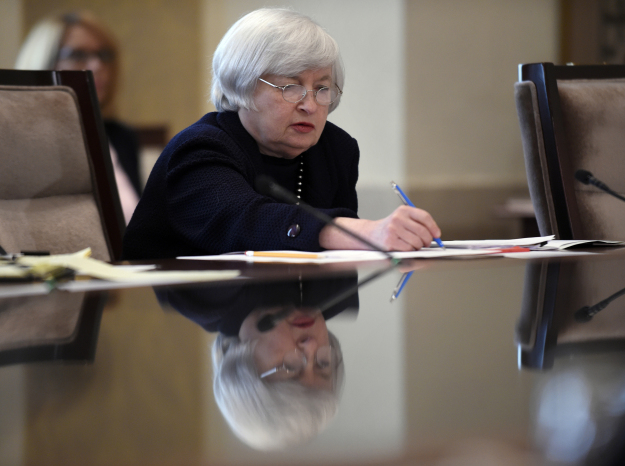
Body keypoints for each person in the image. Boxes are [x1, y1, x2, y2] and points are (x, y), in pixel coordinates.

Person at [122, 7, 441, 260]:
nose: (310, 105)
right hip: (188, 324)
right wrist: (367, 232)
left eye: (322, 89)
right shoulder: (198, 150)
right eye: (290, 87)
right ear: (242, 85)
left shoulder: (336, 150)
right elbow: (244, 223)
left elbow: (337, 270)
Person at [155, 275, 357, 450]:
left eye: (291, 366)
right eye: (323, 363)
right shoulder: (337, 291)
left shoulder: (196, 297)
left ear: (244, 370)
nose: (311, 345)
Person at [15, 11, 141, 223]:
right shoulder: (18, 139)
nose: (97, 66)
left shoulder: (121, 137)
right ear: (45, 62)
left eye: (104, 55)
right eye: (78, 55)